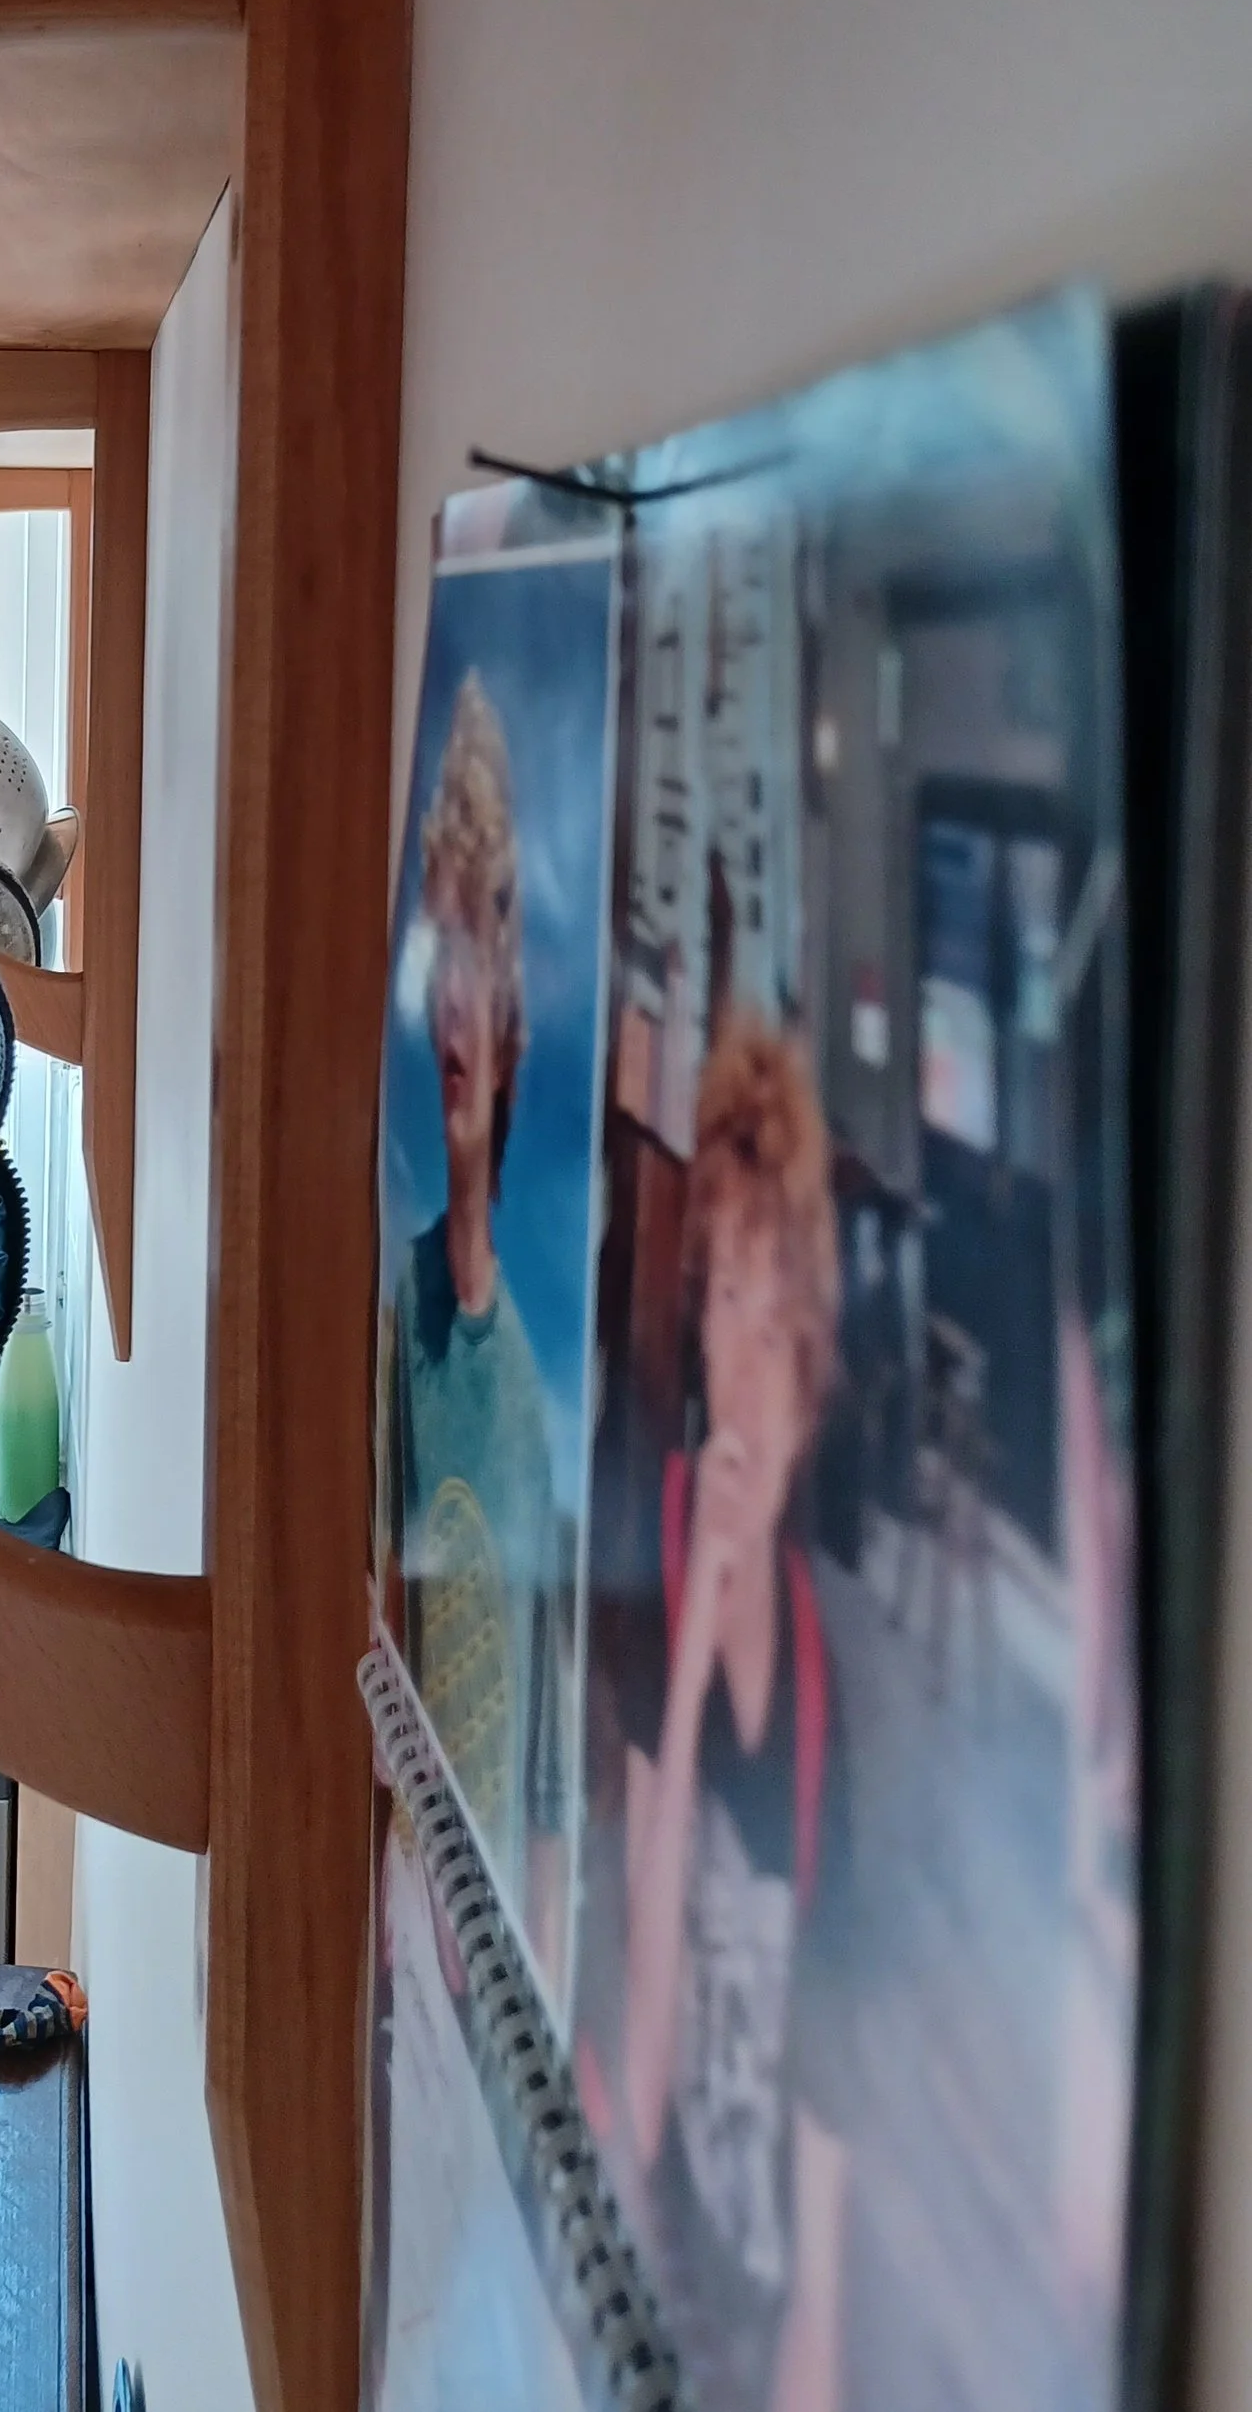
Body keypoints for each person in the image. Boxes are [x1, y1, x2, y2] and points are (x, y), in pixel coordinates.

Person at [618, 1014, 852, 2412]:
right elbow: (640, 2060)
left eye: (782, 1327)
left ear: (813, 1371)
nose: (751, 1371)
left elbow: (832, 2084)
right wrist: (697, 1647)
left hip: (767, 2282)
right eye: (727, 1310)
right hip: (660, 2232)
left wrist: (814, 2338)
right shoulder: (649, 1563)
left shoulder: (833, 1685)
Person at [397, 669, 571, 1981]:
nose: (458, 1008)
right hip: (397, 1956)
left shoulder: (530, 1399)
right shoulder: (385, 1327)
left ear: (511, 1027)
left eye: (481, 966)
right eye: (437, 960)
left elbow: (551, 1791)